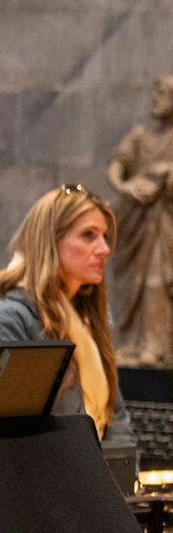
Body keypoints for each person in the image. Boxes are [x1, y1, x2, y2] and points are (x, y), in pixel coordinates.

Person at [0, 184, 136, 454]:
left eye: (105, 236)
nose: (104, 249)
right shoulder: (8, 320)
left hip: (92, 478)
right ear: (49, 241)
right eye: (88, 235)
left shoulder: (88, 318)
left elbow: (115, 415)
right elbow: (2, 434)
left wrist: (119, 468)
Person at [107, 75, 173, 365]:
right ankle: (132, 342)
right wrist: (125, 187)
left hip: (164, 222)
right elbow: (117, 166)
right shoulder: (139, 135)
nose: (156, 99)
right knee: (133, 282)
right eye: (155, 93)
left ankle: (157, 346)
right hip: (134, 220)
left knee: (157, 281)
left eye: (163, 94)